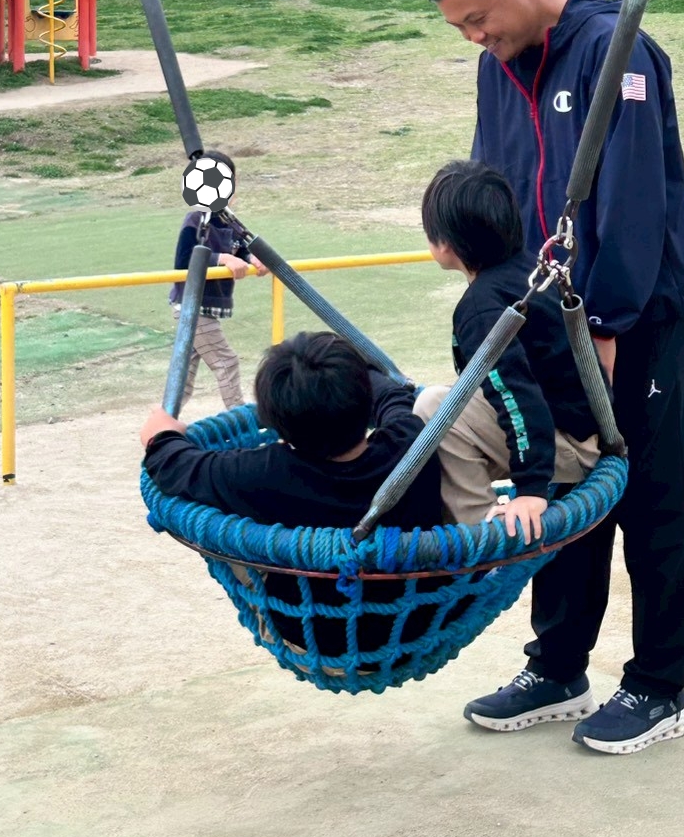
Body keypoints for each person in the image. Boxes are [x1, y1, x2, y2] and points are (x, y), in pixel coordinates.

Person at [422, 0, 684, 756]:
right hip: (543, 316)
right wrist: (492, 293)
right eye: (460, 28)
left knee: (652, 496)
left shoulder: (617, 52)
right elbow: (495, 190)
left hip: (633, 319)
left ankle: (659, 684)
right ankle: (557, 665)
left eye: (479, 18)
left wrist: (606, 328)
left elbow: (635, 201)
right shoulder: (496, 68)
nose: (475, 37)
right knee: (553, 476)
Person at [141, 331, 444, 659]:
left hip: (312, 641)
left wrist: (160, 435)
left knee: (219, 515)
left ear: (274, 423)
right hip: (417, 629)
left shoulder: (265, 472)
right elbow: (394, 396)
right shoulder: (411, 443)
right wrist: (346, 372)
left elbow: (172, 465)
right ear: (365, 402)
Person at [414, 159, 601, 564]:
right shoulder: (530, 271)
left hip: (567, 445)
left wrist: (531, 488)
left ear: (444, 244)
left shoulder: (481, 309)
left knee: (431, 410)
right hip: (581, 427)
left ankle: (479, 532)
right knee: (446, 401)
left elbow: (517, 395)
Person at [168, 151, 264, 410]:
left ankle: (165, 418)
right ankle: (239, 416)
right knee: (227, 362)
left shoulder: (227, 220)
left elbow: (240, 249)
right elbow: (185, 260)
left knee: (183, 377)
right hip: (193, 307)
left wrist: (252, 258)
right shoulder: (196, 219)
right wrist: (222, 258)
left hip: (205, 307)